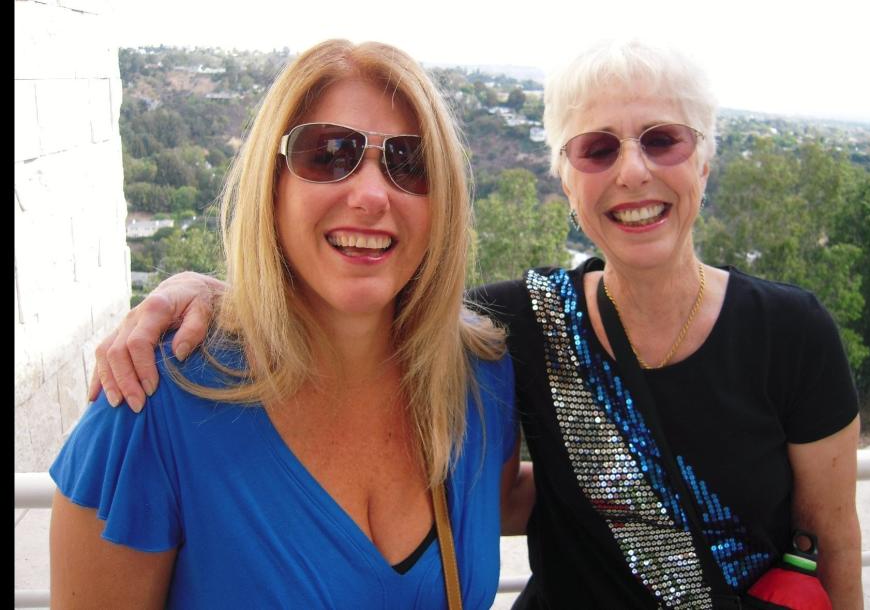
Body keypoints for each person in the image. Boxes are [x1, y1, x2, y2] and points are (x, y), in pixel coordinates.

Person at [90, 40, 863, 608]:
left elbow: (833, 534)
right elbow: (359, 292)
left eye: (664, 139)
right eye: (597, 148)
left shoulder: (789, 333)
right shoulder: (516, 328)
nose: (633, 170)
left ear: (705, 159)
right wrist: (206, 292)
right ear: (565, 177)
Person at [49, 39, 534, 609]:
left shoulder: (480, 382)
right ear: (272, 185)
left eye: (411, 163)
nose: (372, 194)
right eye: (328, 154)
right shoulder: (148, 406)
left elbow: (522, 502)